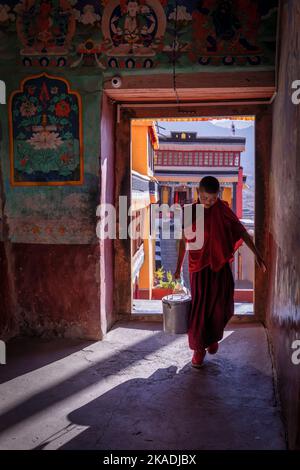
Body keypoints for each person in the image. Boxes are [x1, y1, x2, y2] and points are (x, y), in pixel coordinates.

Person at [174, 176, 267, 368]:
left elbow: (241, 231)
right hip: (198, 268)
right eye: (205, 198)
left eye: (212, 198)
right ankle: (199, 349)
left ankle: (213, 338)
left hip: (220, 266)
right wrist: (177, 268)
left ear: (218, 196)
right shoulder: (190, 212)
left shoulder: (223, 210)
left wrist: (257, 253)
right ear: (198, 194)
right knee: (200, 309)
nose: (208, 202)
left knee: (220, 305)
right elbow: (183, 242)